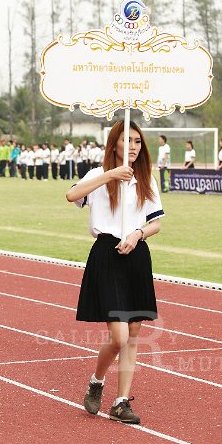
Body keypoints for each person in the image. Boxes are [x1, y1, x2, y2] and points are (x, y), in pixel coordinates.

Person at [66, 120, 163, 425]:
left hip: (136, 253)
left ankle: (121, 402)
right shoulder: (98, 175)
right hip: (106, 255)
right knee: (118, 336)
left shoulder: (146, 178)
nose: (133, 147)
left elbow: (156, 223)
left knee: (133, 334)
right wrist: (110, 174)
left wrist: (138, 234)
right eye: (127, 141)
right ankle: (97, 380)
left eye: (137, 141)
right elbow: (72, 196)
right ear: (114, 144)